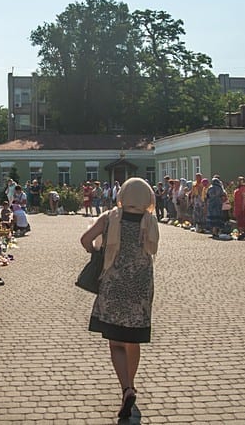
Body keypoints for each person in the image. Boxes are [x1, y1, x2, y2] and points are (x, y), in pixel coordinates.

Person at [80, 178, 159, 420]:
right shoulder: (151, 220)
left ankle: (125, 388)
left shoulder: (109, 217)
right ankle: (131, 384)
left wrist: (96, 251)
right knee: (132, 339)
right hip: (140, 285)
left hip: (113, 283)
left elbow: (85, 239)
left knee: (115, 342)